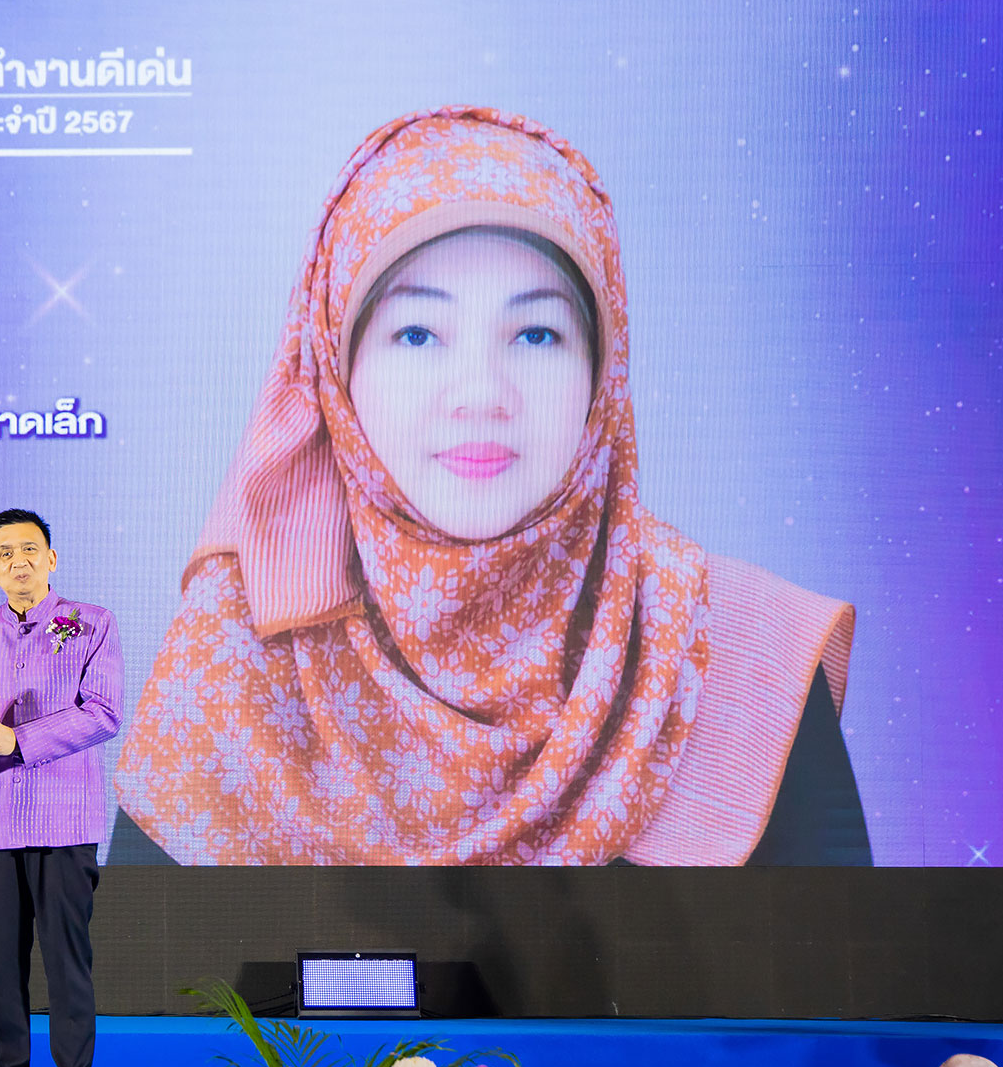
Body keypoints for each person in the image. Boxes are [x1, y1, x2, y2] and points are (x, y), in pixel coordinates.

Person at [114, 106, 869, 867]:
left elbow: (846, 947)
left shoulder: (736, 652)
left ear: (602, 375)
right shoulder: (239, 648)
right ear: (335, 372)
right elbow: (150, 945)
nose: (480, 393)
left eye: (537, 334)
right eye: (417, 334)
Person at [0, 510, 123, 1067]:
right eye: (5, 552)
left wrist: (17, 740)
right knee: (1, 968)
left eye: (30, 549)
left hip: (65, 817)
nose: (18, 561)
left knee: (67, 966)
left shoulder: (92, 623)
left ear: (51, 559)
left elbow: (104, 714)